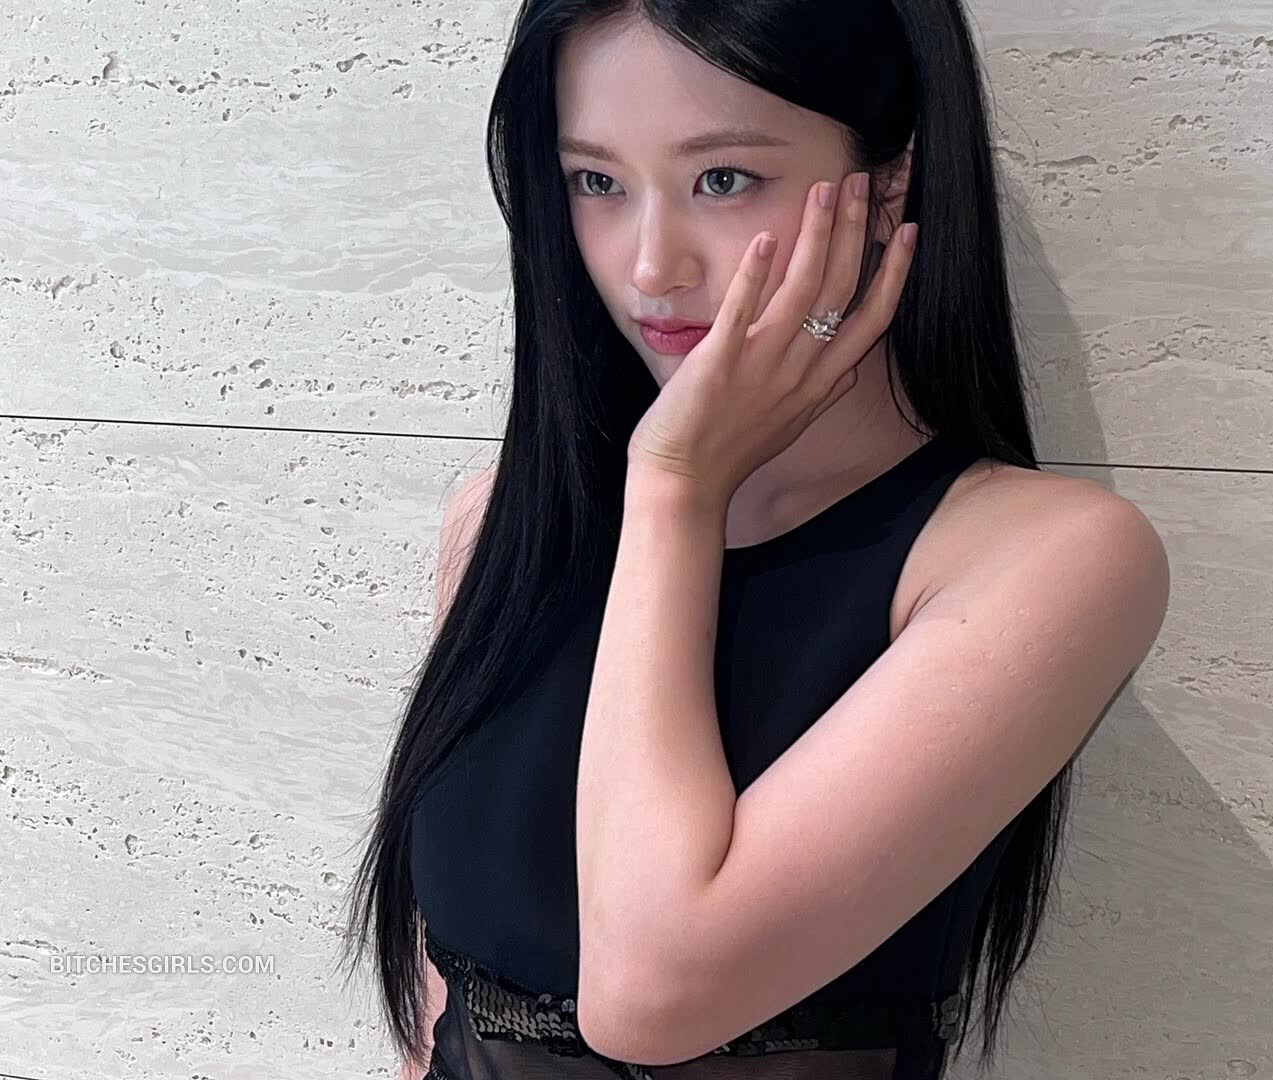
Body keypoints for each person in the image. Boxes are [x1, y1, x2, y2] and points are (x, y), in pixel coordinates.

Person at [339, 1, 1170, 1078]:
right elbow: (437, 1008)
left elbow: (652, 992)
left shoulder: (1046, 560)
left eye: (723, 179)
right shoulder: (504, 523)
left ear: (890, 182)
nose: (652, 267)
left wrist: (677, 488)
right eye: (597, 181)